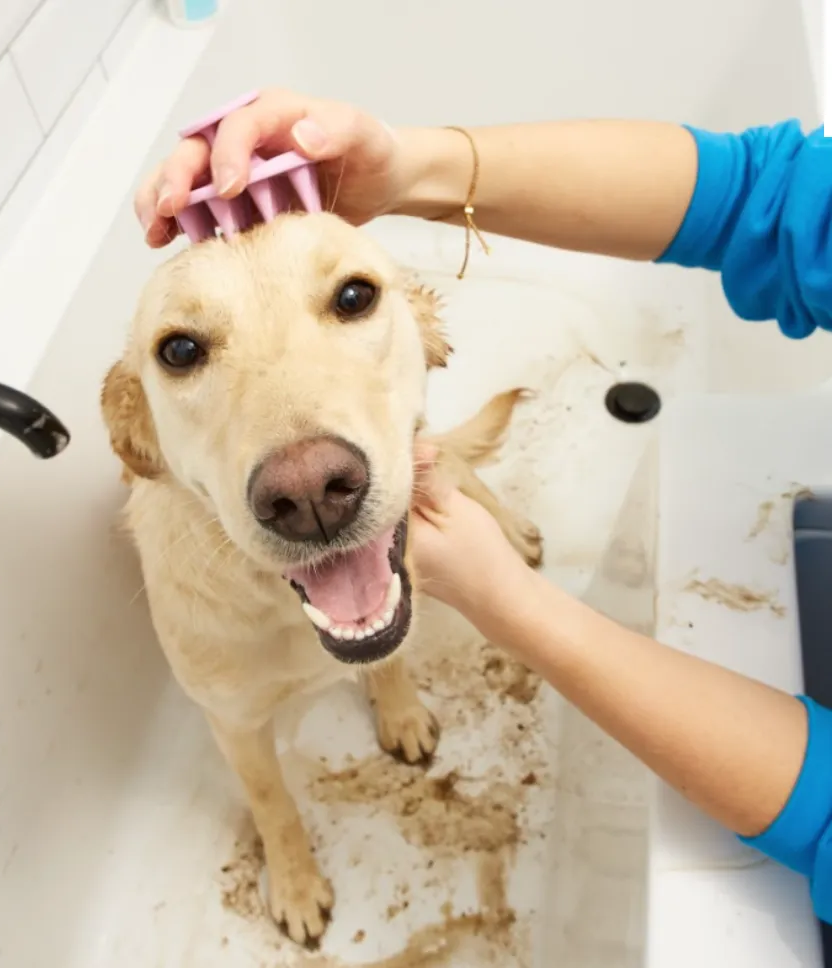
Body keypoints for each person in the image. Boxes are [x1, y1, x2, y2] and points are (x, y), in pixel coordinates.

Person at [135, 89, 832, 921]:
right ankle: (284, 832)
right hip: (219, 607)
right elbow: (774, 195)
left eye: (351, 300)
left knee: (372, 575)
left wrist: (508, 604)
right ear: (135, 434)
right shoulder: (160, 494)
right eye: (185, 350)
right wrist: (407, 164)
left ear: (425, 344)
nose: (305, 476)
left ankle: (389, 684)